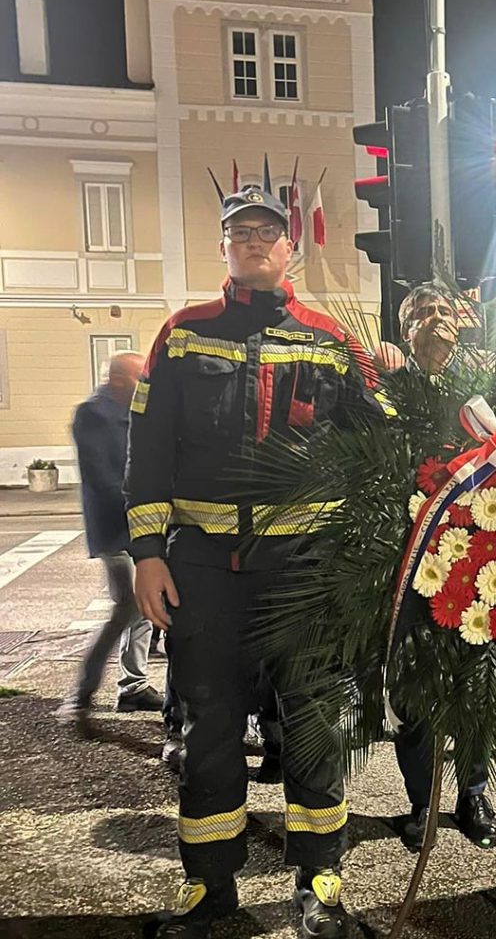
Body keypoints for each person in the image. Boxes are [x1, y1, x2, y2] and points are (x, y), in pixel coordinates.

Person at [126, 186, 384, 939]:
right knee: (209, 730)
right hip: (203, 569)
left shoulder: (331, 340)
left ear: (291, 247)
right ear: (223, 248)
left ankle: (320, 881)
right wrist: (146, 554)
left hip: (305, 572)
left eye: (267, 231)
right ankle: (211, 889)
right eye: (239, 232)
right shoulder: (181, 336)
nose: (253, 242)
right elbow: (148, 458)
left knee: (313, 728)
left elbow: (380, 447)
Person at [389, 283, 496, 852]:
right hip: (409, 565)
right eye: (422, 314)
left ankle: (473, 794)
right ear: (405, 330)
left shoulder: (479, 392)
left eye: (444, 312)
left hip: (476, 563)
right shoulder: (389, 391)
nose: (436, 321)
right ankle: (421, 801)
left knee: (476, 685)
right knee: (414, 689)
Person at [55, 352, 163, 722]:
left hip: (136, 526)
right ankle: (81, 694)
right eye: (138, 378)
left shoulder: (130, 410)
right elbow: (103, 478)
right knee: (126, 608)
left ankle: (132, 686)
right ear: (118, 379)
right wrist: (143, 505)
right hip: (115, 528)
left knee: (142, 607)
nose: (142, 385)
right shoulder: (94, 413)